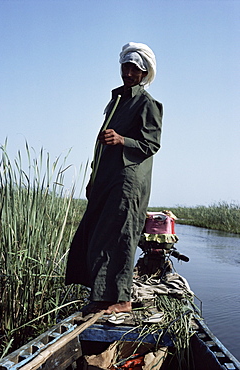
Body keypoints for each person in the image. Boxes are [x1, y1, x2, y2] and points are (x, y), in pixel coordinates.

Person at [65, 42, 163, 314]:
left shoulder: (147, 103)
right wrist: (93, 178)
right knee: (97, 235)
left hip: (128, 182)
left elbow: (151, 144)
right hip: (106, 180)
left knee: (120, 237)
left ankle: (122, 300)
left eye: (135, 69)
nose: (129, 73)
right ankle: (101, 296)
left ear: (144, 74)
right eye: (126, 66)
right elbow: (101, 147)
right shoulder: (116, 101)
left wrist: (122, 139)